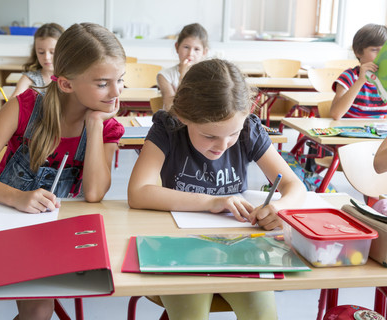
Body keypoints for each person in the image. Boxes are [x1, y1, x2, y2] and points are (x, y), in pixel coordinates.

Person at [0, 22, 126, 320]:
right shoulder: (24, 107)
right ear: (65, 83)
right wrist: (17, 198)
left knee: (40, 310)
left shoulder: (108, 127)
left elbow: (94, 193)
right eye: (103, 83)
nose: (116, 93)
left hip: (46, 231)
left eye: (120, 80)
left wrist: (94, 124)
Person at [128, 59, 306, 320]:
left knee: (262, 315)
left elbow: (294, 185)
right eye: (209, 136)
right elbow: (138, 192)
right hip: (179, 247)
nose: (222, 145)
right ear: (183, 117)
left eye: (232, 134)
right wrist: (211, 201)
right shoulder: (168, 129)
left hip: (239, 247)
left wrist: (279, 208)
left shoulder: (249, 131)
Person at [330, 23, 387, 120]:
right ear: (358, 52)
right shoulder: (349, 77)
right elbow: (336, 114)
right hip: (349, 131)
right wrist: (360, 81)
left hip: (377, 132)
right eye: (374, 50)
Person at [156, 23, 208, 110]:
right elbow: (170, 108)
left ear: (204, 52)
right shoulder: (164, 76)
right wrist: (182, 77)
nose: (190, 54)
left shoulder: (208, 76)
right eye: (186, 47)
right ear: (177, 47)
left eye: (196, 49)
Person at [10, 23, 65, 99]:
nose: (46, 57)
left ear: (63, 51)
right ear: (35, 52)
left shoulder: (71, 77)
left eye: (52, 52)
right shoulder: (29, 79)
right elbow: (12, 103)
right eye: (41, 52)